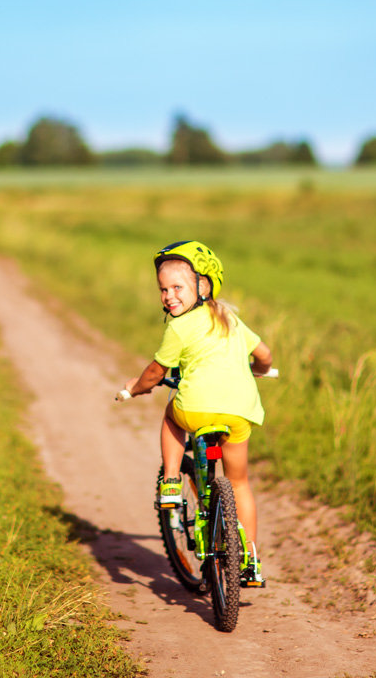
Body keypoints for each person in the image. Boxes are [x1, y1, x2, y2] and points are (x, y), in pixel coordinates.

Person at [119, 240, 274, 586]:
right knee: (239, 482)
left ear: (202, 286)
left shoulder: (178, 327)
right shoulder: (230, 319)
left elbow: (157, 373)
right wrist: (259, 369)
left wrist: (135, 388)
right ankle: (249, 558)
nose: (168, 296)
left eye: (177, 287)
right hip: (239, 413)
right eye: (163, 289)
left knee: (172, 414)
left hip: (197, 409)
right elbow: (264, 354)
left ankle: (172, 481)